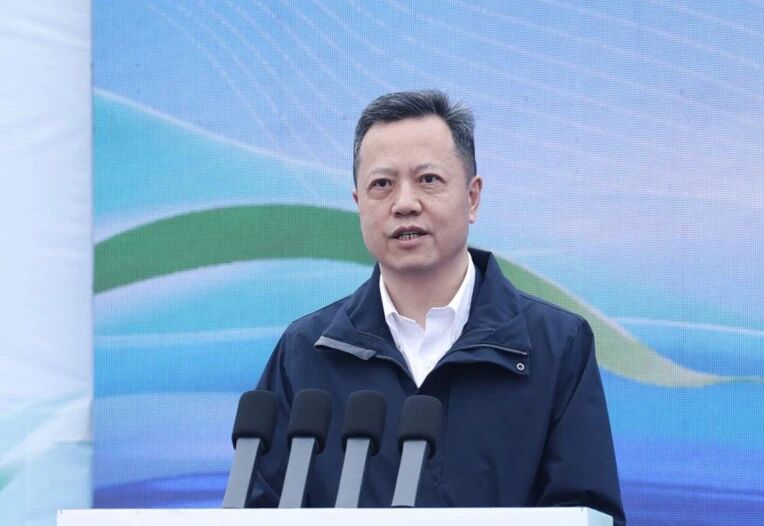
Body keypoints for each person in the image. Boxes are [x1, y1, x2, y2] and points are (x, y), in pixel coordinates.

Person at [250, 90, 625, 524]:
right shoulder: (307, 352)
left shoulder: (554, 347)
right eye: (382, 185)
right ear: (358, 205)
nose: (404, 203)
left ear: (472, 197)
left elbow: (586, 513)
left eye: (428, 179)